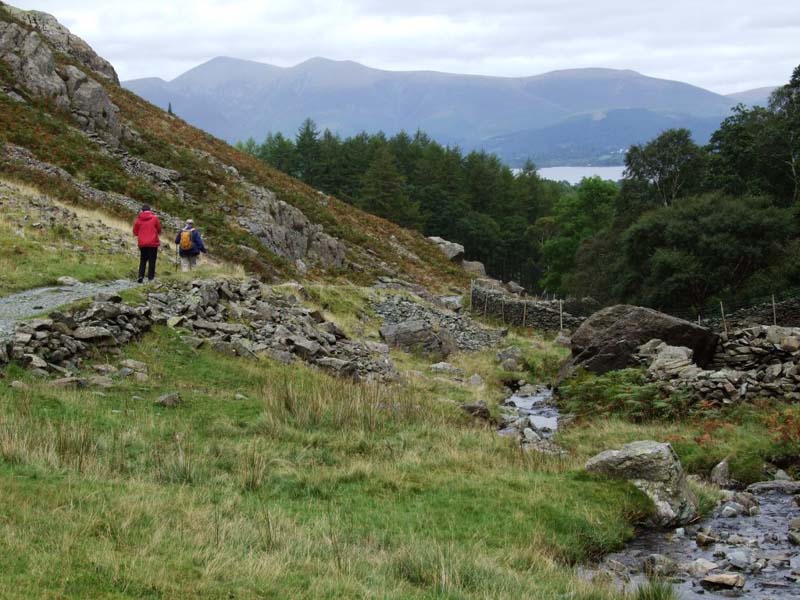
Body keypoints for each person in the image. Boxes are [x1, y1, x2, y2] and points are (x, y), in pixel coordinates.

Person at [132, 204, 162, 283]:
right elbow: (159, 229)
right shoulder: (155, 218)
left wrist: (141, 234)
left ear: (142, 210)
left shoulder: (138, 219)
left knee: (143, 260)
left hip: (142, 243)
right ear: (150, 210)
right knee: (152, 260)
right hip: (153, 243)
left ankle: (140, 276)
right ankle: (150, 277)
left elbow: (135, 232)